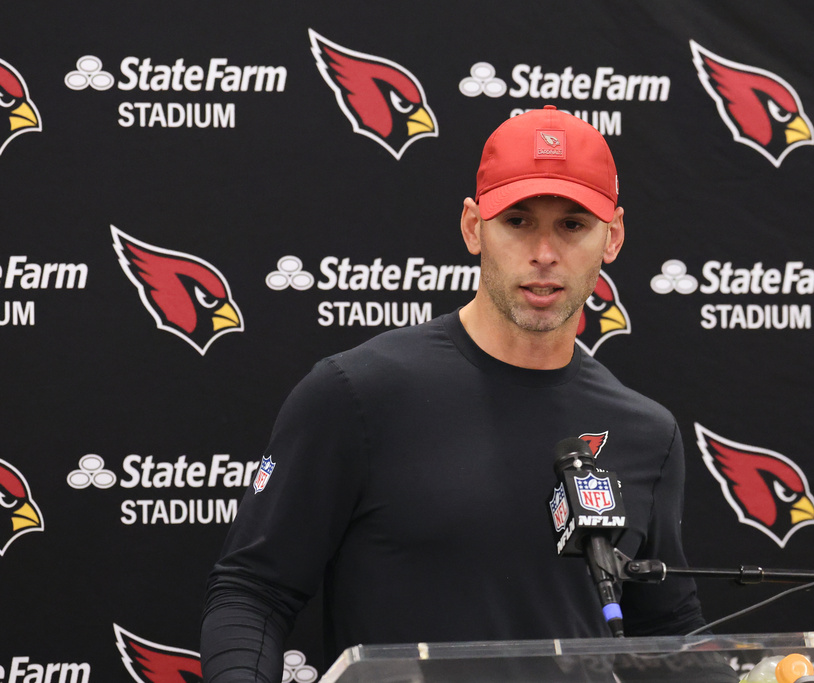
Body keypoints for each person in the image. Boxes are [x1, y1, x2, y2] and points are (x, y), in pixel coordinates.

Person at [200, 105, 708, 681]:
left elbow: (665, 630)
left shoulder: (647, 432)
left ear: (611, 237)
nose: (544, 252)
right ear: (473, 227)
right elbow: (253, 591)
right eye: (518, 221)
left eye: (572, 224)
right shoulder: (357, 393)